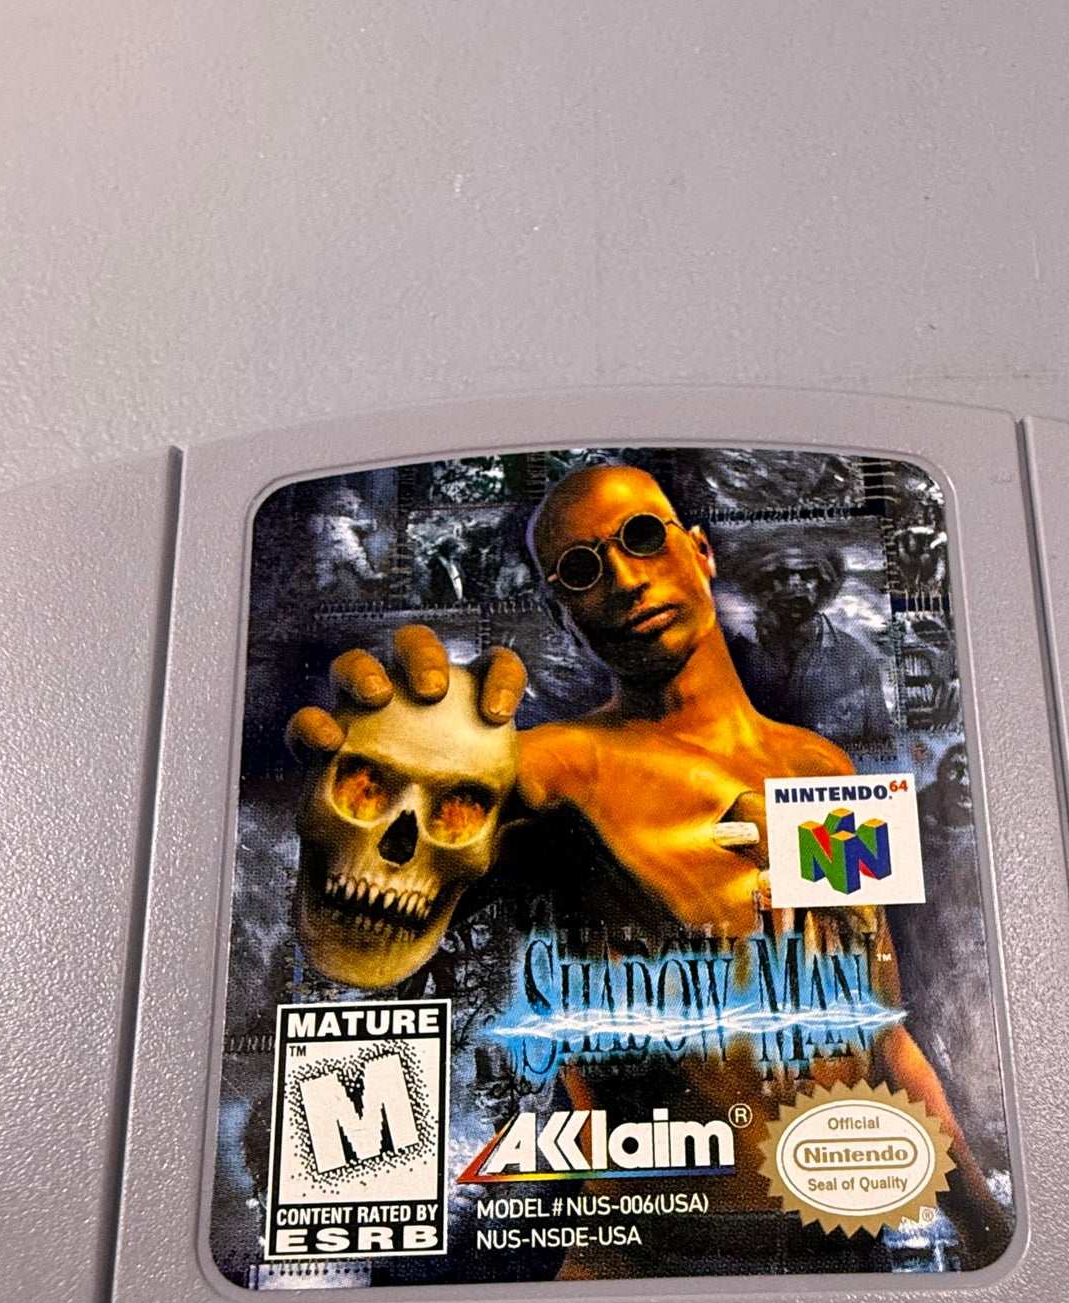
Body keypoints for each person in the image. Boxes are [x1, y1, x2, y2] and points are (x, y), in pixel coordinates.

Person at [287, 463, 1007, 1262]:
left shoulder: (819, 769)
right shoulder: (556, 767)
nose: (626, 580)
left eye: (640, 537)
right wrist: (377, 770)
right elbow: (368, 921)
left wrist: (991, 1235)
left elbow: (884, 1037)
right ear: (563, 616)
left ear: (699, 550)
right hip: (652, 1261)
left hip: (843, 1254)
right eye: (582, 569)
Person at [725, 534, 895, 765]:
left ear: (823, 586)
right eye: (781, 575)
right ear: (761, 586)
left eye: (807, 575)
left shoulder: (856, 659)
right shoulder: (732, 658)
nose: (794, 585)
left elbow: (880, 748)